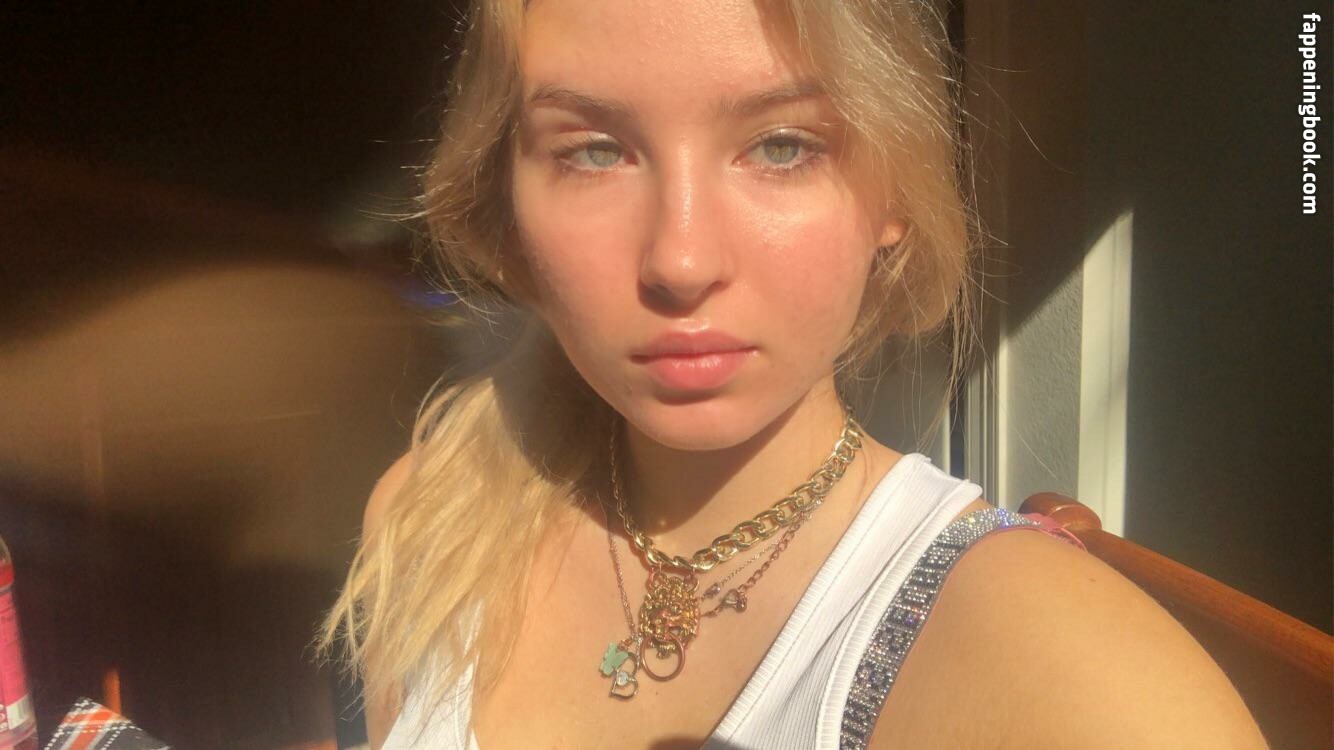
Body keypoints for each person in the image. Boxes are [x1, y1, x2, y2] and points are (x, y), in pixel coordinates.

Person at [318, 0, 1268, 747]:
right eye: (594, 152)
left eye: (782, 146)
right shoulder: (430, 525)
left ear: (895, 191)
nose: (681, 260)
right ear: (506, 204)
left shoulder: (1071, 681)